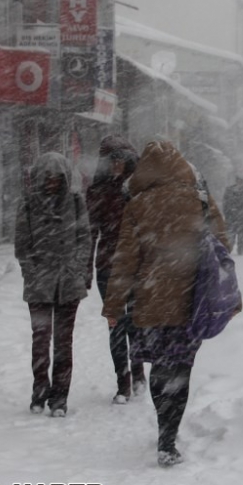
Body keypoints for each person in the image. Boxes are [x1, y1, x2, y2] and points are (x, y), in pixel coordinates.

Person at [101, 141, 232, 467]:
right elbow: (223, 246)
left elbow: (125, 261)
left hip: (150, 302)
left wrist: (114, 305)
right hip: (191, 302)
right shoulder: (200, 199)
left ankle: (163, 428)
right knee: (181, 368)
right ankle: (169, 438)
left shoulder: (137, 205)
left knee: (160, 368)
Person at [15, 152, 92, 417]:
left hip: (68, 284)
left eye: (56, 178)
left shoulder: (76, 202)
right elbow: (22, 243)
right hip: (39, 285)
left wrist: (76, 267)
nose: (51, 183)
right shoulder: (28, 203)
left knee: (63, 343)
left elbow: (84, 238)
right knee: (40, 341)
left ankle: (60, 397)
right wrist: (32, 271)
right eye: (46, 178)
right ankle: (39, 392)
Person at [86, 135, 144, 404]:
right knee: (115, 325)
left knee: (134, 323)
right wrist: (86, 269)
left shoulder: (141, 189)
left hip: (137, 266)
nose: (116, 165)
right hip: (108, 267)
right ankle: (123, 382)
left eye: (121, 160)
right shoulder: (98, 190)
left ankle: (138, 372)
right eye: (111, 160)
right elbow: (90, 232)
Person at [222, 175, 243, 255]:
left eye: (242, 180)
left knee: (242, 234)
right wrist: (228, 212)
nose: (240, 182)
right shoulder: (229, 190)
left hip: (242, 217)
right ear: (236, 180)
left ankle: (240, 249)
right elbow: (225, 202)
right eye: (239, 180)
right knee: (230, 234)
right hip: (231, 216)